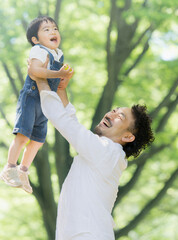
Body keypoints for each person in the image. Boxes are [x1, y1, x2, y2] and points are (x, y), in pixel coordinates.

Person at [31, 61, 154, 239]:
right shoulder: (105, 153)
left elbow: (64, 121)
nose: (111, 113)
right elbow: (72, 123)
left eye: (120, 116)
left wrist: (41, 80)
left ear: (127, 137)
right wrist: (61, 90)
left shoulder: (108, 152)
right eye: (114, 110)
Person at [0, 16, 73, 194]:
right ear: (35, 39)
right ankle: (9, 167)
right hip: (31, 98)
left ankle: (23, 170)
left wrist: (63, 79)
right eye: (46, 30)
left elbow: (56, 82)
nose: (53, 32)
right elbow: (34, 71)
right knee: (23, 136)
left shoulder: (58, 54)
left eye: (55, 28)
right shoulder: (38, 51)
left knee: (38, 141)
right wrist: (56, 74)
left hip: (45, 102)